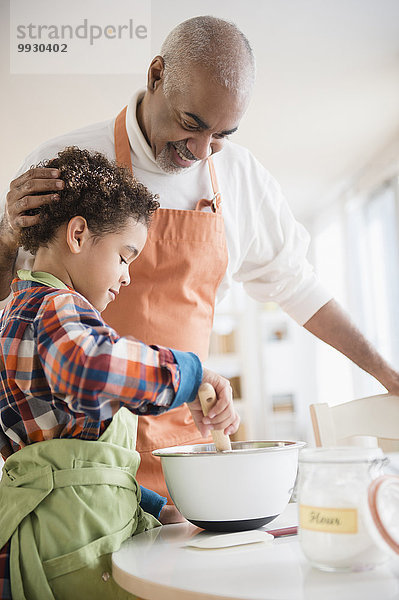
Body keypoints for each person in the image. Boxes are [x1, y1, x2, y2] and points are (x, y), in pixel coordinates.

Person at [1, 15, 399, 500]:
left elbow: (298, 287)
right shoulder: (65, 162)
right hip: (75, 470)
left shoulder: (241, 178)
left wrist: (388, 374)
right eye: (192, 124)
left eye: (223, 134)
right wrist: (5, 240)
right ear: (155, 76)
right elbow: (18, 317)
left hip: (187, 456)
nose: (202, 150)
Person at [0, 146, 239, 600]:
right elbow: (91, 368)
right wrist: (191, 374)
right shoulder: (55, 310)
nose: (127, 276)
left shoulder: (14, 310)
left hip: (56, 532)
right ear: (77, 235)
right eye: (125, 256)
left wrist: (152, 507)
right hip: (79, 549)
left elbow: (74, 463)